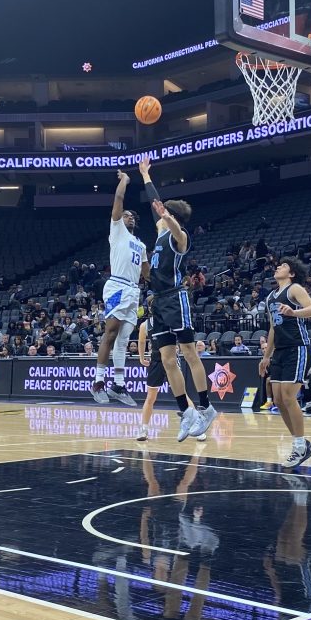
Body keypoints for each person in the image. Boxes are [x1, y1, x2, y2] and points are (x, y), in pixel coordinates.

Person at [138, 156, 216, 441]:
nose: (157, 216)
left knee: (189, 354)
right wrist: (145, 175)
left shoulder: (177, 238)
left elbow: (176, 229)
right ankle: (187, 412)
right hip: (158, 302)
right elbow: (154, 203)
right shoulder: (158, 238)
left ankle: (206, 407)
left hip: (175, 298)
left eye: (163, 215)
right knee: (168, 359)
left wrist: (168, 217)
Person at [90, 171, 147, 407]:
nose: (129, 217)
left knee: (124, 340)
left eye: (132, 216)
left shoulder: (141, 244)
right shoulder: (117, 231)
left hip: (133, 290)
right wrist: (124, 181)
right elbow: (119, 201)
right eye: (125, 215)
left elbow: (147, 274)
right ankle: (98, 383)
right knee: (110, 333)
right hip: (116, 286)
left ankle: (119, 385)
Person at [260, 257, 311, 467]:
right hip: (280, 351)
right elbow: (273, 328)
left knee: (288, 396)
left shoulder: (295, 289)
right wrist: (267, 355)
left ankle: (300, 445)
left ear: (291, 273)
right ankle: (300, 442)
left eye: (283, 266)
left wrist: (294, 312)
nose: (278, 266)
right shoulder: (270, 298)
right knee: (277, 399)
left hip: (297, 347)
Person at [135, 299, 206, 443]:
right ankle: (143, 428)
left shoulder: (169, 321)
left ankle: (197, 429)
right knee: (150, 397)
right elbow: (141, 342)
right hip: (155, 361)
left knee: (183, 395)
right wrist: (141, 358)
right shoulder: (145, 325)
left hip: (172, 361)